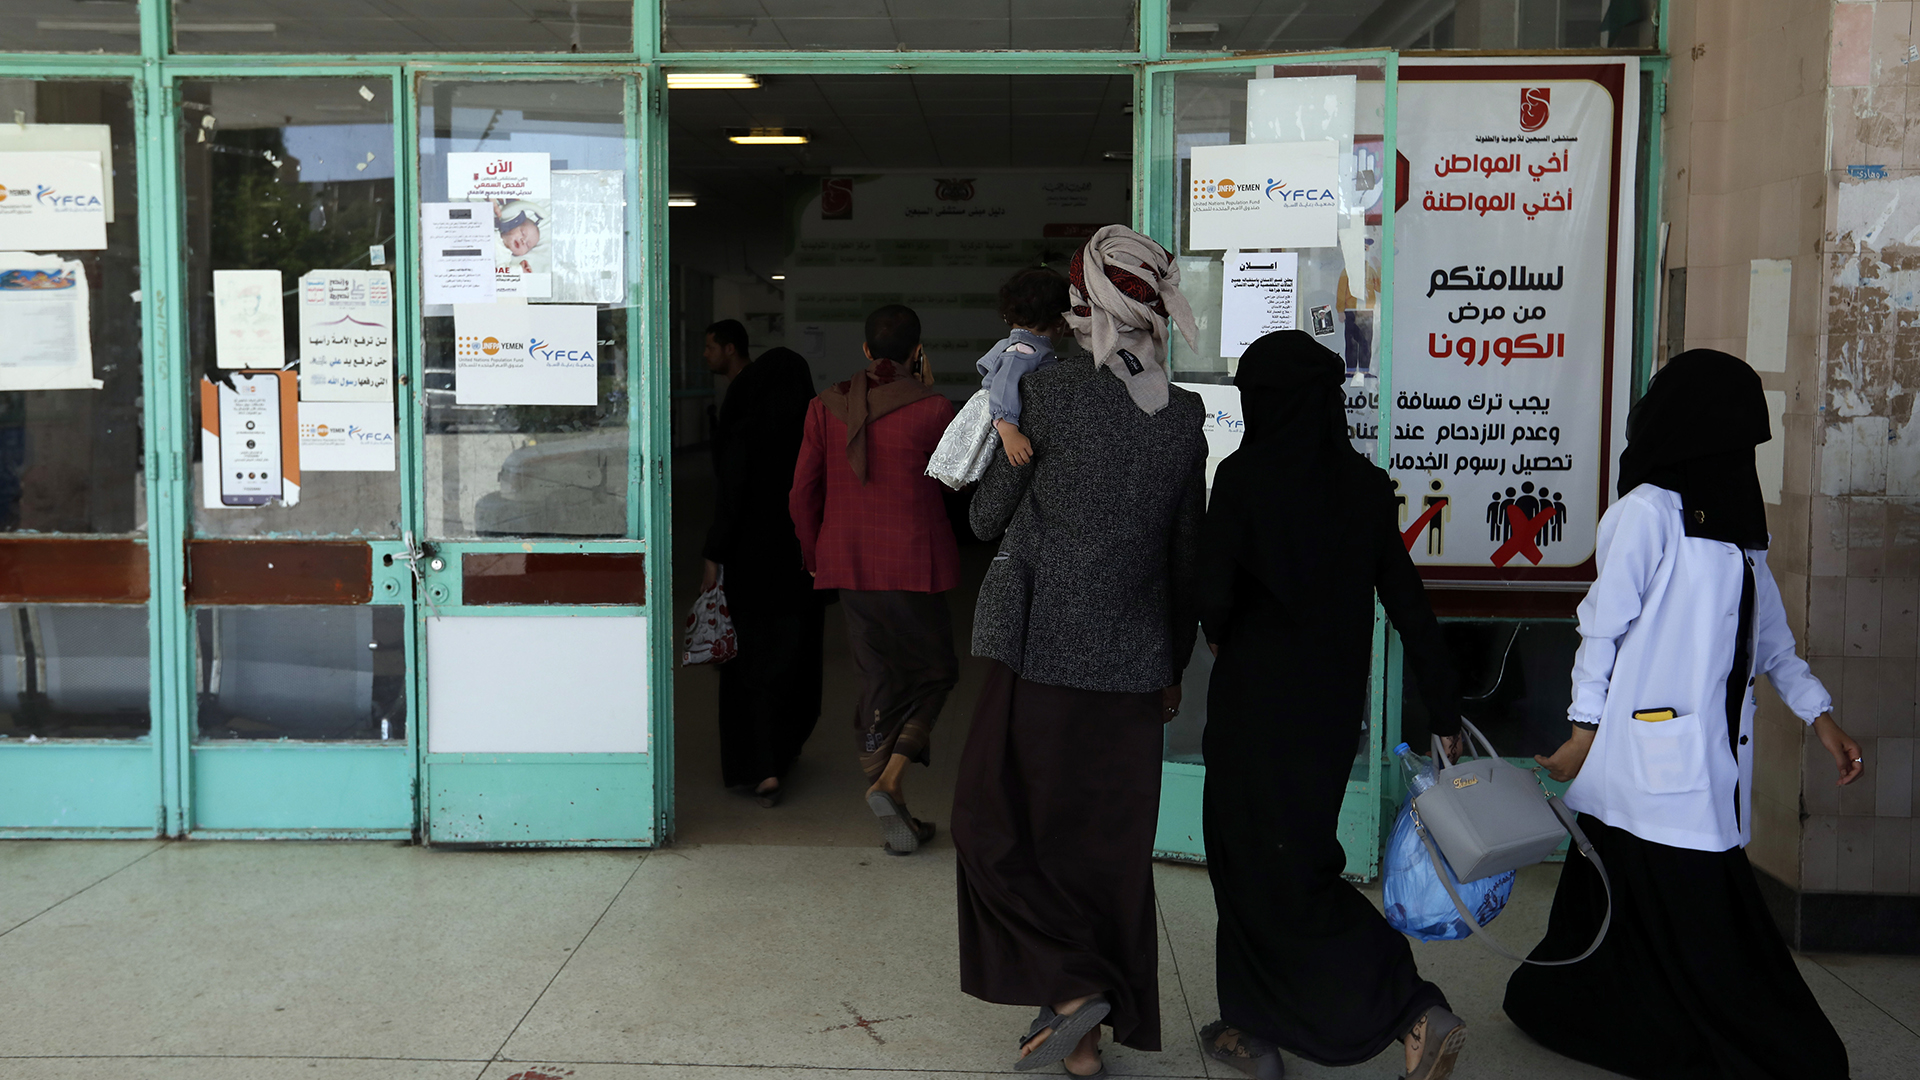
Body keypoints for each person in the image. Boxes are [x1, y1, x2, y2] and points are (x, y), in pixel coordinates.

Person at [1507, 349, 1865, 1080]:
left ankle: (1608, 1018)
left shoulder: (1739, 531)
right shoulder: (1645, 515)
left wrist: (1819, 716)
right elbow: (1600, 630)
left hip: (1700, 765)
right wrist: (1583, 731)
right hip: (1641, 761)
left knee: (1644, 913)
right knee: (1674, 919)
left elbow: (1771, 645)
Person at [953, 225, 1205, 1079]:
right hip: (1136, 663)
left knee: (993, 828)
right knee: (1104, 850)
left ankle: (1069, 996)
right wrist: (1172, 662)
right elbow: (1184, 551)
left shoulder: (1048, 394)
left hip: (1040, 654)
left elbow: (986, 520)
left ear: (1085, 307)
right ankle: (1085, 1038)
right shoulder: (1184, 413)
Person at [1193, 331, 1469, 1080]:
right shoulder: (1363, 486)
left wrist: (1219, 631)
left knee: (1251, 866)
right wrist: (1444, 708)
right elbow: (1409, 603)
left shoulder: (1244, 480)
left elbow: (1212, 594)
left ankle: (1407, 1006)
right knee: (1302, 862)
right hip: (1325, 715)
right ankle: (1255, 1023)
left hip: (1254, 706)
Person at [789, 304, 960, 854]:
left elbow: (801, 493)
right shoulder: (935, 408)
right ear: (918, 351)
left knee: (878, 679)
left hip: (850, 563)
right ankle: (890, 783)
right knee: (934, 673)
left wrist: (814, 552)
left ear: (865, 351)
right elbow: (960, 483)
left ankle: (895, 807)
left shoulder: (825, 406)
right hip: (914, 562)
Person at [700, 320, 822, 808]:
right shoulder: (813, 439)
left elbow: (730, 499)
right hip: (799, 567)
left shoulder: (746, 432)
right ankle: (784, 750)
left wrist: (714, 554)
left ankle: (761, 765)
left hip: (750, 566)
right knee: (793, 660)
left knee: (749, 663)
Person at [976, 267, 1070, 466]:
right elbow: (1003, 385)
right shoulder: (1025, 350)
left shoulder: (1015, 346)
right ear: (1061, 321)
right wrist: (1009, 430)